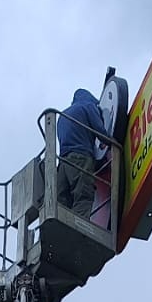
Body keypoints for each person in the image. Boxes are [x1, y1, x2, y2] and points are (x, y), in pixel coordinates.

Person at [56, 86, 106, 215]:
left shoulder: (62, 116)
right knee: (83, 196)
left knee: (61, 202)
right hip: (81, 158)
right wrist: (110, 141)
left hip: (62, 163)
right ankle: (78, 226)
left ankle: (58, 227)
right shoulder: (88, 106)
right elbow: (99, 129)